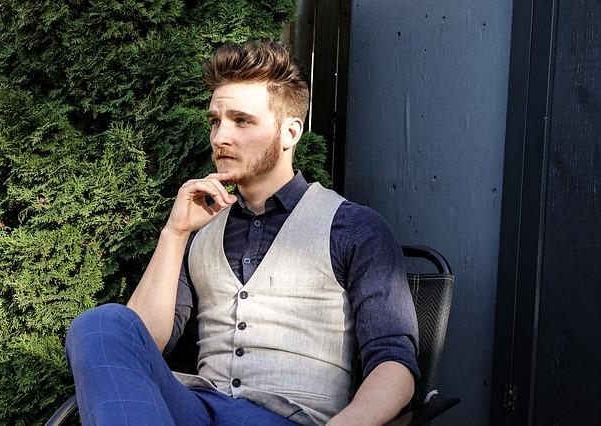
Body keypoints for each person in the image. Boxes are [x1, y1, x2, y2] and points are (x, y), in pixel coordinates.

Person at [65, 40, 419, 426]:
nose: (220, 137)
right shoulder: (200, 229)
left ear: (290, 132)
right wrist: (175, 231)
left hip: (287, 417)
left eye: (242, 121)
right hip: (197, 409)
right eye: (215, 121)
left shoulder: (354, 228)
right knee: (99, 325)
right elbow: (140, 344)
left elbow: (394, 364)